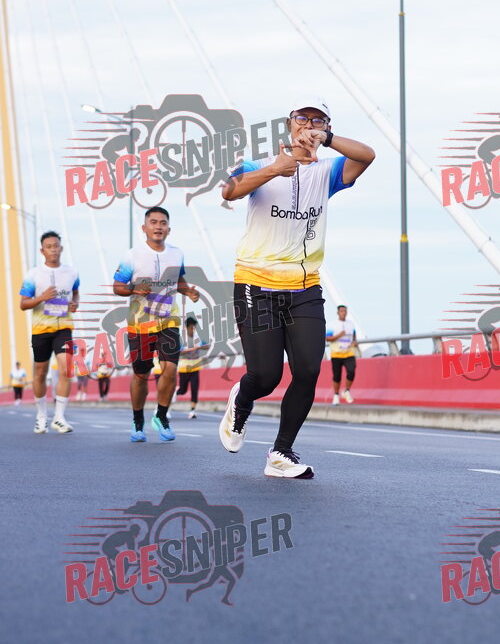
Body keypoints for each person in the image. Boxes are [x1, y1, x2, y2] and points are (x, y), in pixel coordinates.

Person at [218, 96, 375, 478]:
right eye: (302, 118)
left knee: (307, 370)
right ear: (290, 123)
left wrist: (329, 140)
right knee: (266, 377)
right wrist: (276, 168)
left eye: (318, 120)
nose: (309, 125)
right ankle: (242, 399)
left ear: (326, 128)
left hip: (304, 287)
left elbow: (367, 156)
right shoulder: (259, 164)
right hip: (256, 283)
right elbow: (229, 191)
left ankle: (280, 453)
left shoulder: (328, 171)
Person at [113, 206, 199, 442]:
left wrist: (188, 291)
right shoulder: (132, 256)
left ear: (169, 229)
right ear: (144, 228)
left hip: (168, 320)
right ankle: (137, 420)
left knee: (170, 368)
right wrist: (134, 288)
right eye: (153, 222)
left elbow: (178, 280)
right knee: (141, 374)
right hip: (140, 323)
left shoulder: (177, 254)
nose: (158, 226)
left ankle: (161, 416)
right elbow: (118, 286)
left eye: (163, 223)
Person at [19, 230, 80, 433]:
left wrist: (75, 304)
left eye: (56, 246)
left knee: (66, 369)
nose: (53, 250)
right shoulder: (33, 274)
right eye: (49, 247)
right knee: (40, 373)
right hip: (41, 329)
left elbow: (76, 293)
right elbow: (23, 304)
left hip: (64, 328)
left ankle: (59, 417)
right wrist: (42, 297)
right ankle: (41, 415)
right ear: (42, 251)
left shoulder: (71, 272)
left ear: (61, 248)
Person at [175, 316, 209, 418]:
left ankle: (192, 411)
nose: (193, 330)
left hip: (195, 367)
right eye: (191, 328)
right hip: (184, 368)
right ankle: (174, 392)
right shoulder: (182, 339)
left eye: (194, 327)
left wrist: (202, 346)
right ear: (187, 328)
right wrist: (193, 349)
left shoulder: (197, 338)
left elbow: (206, 346)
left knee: (194, 389)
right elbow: (180, 352)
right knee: (183, 390)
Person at [326, 304, 358, 404]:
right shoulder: (332, 325)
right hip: (336, 354)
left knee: (351, 371)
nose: (343, 313)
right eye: (341, 311)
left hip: (349, 353)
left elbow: (354, 336)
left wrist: (354, 342)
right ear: (338, 312)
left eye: (345, 311)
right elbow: (327, 338)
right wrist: (339, 335)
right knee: (337, 376)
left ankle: (346, 391)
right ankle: (336, 395)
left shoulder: (351, 324)